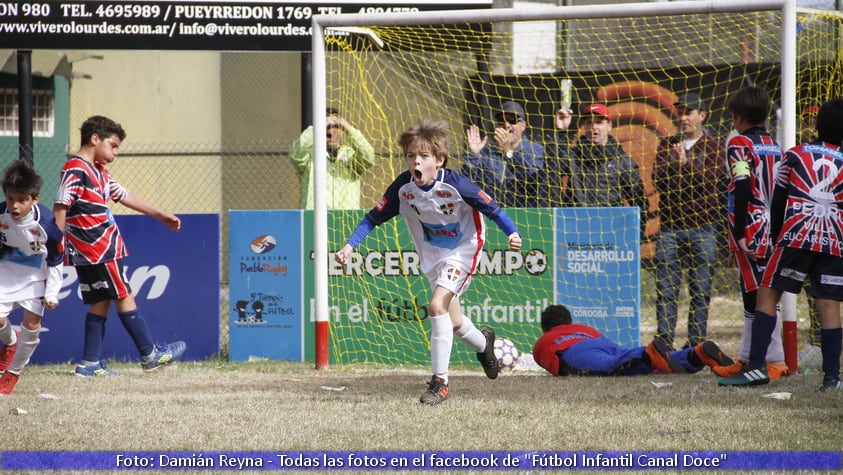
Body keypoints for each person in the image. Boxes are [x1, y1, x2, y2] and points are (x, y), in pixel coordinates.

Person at [335, 118, 522, 404]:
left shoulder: (459, 185)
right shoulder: (403, 188)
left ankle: (440, 382)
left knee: (436, 307)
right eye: (411, 156)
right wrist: (349, 246)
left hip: (464, 249)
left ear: (439, 160)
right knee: (456, 323)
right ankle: (485, 345)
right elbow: (373, 217)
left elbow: (494, 209)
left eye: (423, 156)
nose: (416, 162)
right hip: (434, 255)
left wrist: (512, 233)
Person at [720, 99, 843, 389]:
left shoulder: (795, 154)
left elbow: (779, 198)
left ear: (817, 125)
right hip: (833, 238)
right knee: (828, 305)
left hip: (796, 234)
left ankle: (756, 368)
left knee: (767, 295)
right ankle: (832, 378)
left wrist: (777, 236)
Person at [53, 115, 187, 377]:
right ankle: (150, 355)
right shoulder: (76, 168)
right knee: (124, 294)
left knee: (101, 299)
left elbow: (125, 196)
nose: (115, 154)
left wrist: (160, 214)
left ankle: (90, 362)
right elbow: (61, 204)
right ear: (95, 139)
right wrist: (56, 241)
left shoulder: (99, 171)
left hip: (89, 249)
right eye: (113, 146)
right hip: (100, 246)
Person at [715, 87, 790, 381]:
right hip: (773, 225)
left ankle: (772, 360)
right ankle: (749, 357)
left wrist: (740, 230)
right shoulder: (775, 146)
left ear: (738, 117)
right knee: (758, 292)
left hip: (752, 225)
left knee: (759, 296)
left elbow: (743, 185)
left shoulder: (739, 144)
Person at [652, 93, 724, 350]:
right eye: (680, 113)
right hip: (670, 228)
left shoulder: (715, 146)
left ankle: (695, 345)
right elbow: (657, 181)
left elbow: (711, 183)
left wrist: (685, 163)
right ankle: (663, 343)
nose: (683, 118)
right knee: (666, 290)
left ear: (702, 115)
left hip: (703, 228)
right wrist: (675, 163)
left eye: (689, 112)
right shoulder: (666, 145)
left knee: (700, 290)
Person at [0, 160, 64, 395]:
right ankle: (10, 341)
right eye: (10, 199)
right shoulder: (1, 214)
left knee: (32, 324)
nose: (14, 206)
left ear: (34, 199)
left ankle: (13, 373)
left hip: (36, 275)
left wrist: (52, 292)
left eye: (22, 200)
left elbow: (57, 258)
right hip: (6, 271)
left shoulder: (46, 224)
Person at [533, 304, 734, 377]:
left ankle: (647, 354)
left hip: (575, 352)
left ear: (546, 328)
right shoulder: (584, 329)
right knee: (625, 359)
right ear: (569, 321)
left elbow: (549, 362)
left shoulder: (545, 339)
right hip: (601, 343)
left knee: (614, 367)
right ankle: (694, 354)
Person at [555, 104, 649, 236]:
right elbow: (551, 169)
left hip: (610, 234)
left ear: (609, 125)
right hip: (575, 232)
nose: (594, 127)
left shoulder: (622, 161)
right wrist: (561, 132)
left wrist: (635, 239)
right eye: (589, 123)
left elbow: (640, 203)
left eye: (599, 122)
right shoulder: (573, 155)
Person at [462, 101, 546, 208]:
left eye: (512, 120)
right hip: (490, 214)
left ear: (523, 126)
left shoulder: (534, 150)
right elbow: (466, 182)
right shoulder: (487, 153)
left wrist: (508, 152)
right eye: (501, 121)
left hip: (523, 214)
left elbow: (532, 179)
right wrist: (473, 154)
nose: (506, 125)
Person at [289, 107, 376, 209]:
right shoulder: (309, 156)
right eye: (325, 124)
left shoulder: (350, 155)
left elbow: (369, 157)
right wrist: (317, 128)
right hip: (314, 218)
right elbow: (295, 154)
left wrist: (350, 129)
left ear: (342, 131)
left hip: (345, 219)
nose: (330, 129)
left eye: (335, 126)